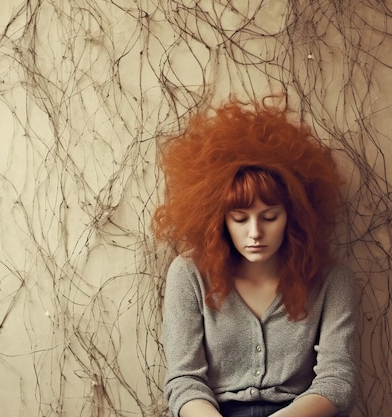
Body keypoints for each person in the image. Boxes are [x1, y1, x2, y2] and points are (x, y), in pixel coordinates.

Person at [152, 97, 356, 417]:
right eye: (239, 218)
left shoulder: (332, 279)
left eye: (270, 217)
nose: (255, 232)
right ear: (219, 219)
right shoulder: (189, 273)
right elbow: (184, 380)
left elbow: (337, 381)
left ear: (294, 216)